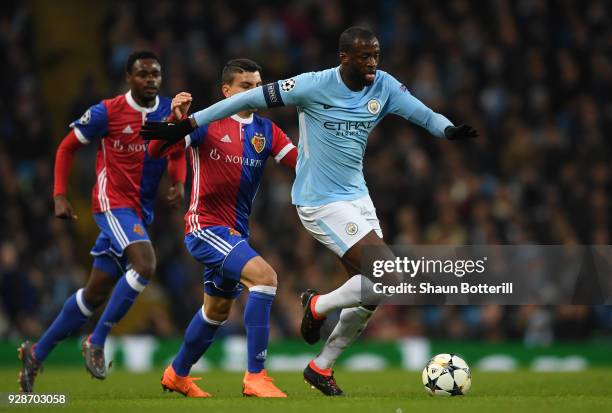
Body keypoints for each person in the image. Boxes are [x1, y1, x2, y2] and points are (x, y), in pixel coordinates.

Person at [141, 27, 477, 396]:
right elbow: (226, 110)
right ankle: (304, 320)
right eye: (364, 57)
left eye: (376, 55)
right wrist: (187, 123)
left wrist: (447, 130)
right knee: (386, 275)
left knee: (369, 291)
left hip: (356, 197)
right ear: (344, 57)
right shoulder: (311, 85)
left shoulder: (382, 86)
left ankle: (320, 367)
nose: (372, 64)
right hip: (318, 201)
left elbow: (423, 114)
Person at [18, 51, 186, 392]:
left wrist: (178, 181)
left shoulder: (170, 110)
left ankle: (36, 352)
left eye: (156, 73)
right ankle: (97, 339)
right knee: (146, 264)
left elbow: (177, 150)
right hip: (112, 204)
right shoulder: (106, 112)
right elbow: (66, 148)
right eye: (143, 74)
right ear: (128, 77)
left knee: (93, 294)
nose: (151, 79)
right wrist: (59, 194)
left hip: (140, 212)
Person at [146, 58, 297, 398]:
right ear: (227, 91)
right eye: (246, 86)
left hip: (234, 233)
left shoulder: (267, 131)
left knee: (216, 311)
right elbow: (157, 149)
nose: (254, 92)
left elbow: (299, 164)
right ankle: (256, 376)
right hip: (204, 227)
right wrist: (175, 118)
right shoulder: (205, 123)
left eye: (258, 86)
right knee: (265, 278)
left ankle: (177, 373)